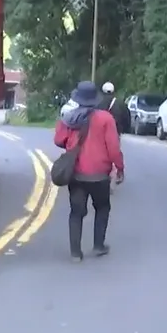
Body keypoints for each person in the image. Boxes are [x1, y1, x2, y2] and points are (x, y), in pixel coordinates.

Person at [54, 81, 125, 262]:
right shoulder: (105, 119)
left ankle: (75, 253)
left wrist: (72, 143)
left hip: (76, 173)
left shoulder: (69, 118)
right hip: (100, 175)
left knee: (76, 212)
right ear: (95, 99)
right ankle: (98, 246)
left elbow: (58, 140)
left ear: (77, 98)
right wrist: (120, 168)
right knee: (102, 208)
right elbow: (114, 148)